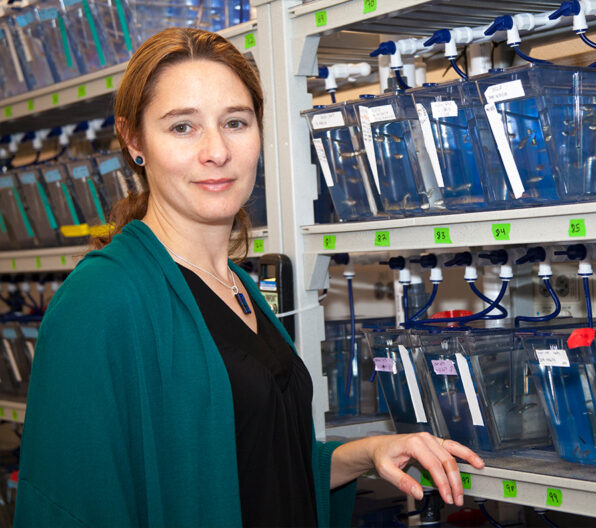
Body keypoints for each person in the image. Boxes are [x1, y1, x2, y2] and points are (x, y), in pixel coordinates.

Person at [14, 27, 484, 527]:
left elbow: (256, 468)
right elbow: (67, 506)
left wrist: (367, 452)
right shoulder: (101, 300)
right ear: (134, 141)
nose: (216, 151)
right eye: (182, 127)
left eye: (235, 122)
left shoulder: (240, 286)